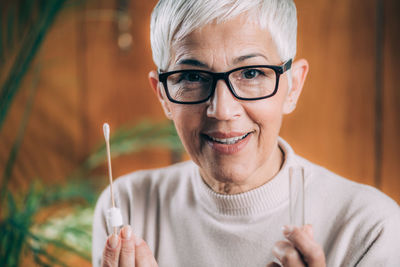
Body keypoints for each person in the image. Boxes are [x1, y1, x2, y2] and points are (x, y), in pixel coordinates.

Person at [92, 0, 400, 266]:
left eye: (251, 73)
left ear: (293, 86)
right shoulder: (126, 207)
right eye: (192, 76)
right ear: (163, 97)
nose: (223, 110)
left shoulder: (371, 228)